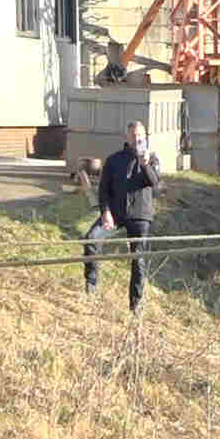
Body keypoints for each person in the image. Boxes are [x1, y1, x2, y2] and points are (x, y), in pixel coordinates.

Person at [83, 120, 163, 313]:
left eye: (140, 136)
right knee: (91, 239)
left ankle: (135, 304)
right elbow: (103, 190)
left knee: (139, 259)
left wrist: (144, 164)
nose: (137, 139)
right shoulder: (114, 160)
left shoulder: (152, 159)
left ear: (145, 137)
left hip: (140, 215)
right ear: (127, 137)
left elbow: (154, 183)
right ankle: (91, 285)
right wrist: (106, 212)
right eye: (133, 135)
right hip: (116, 213)